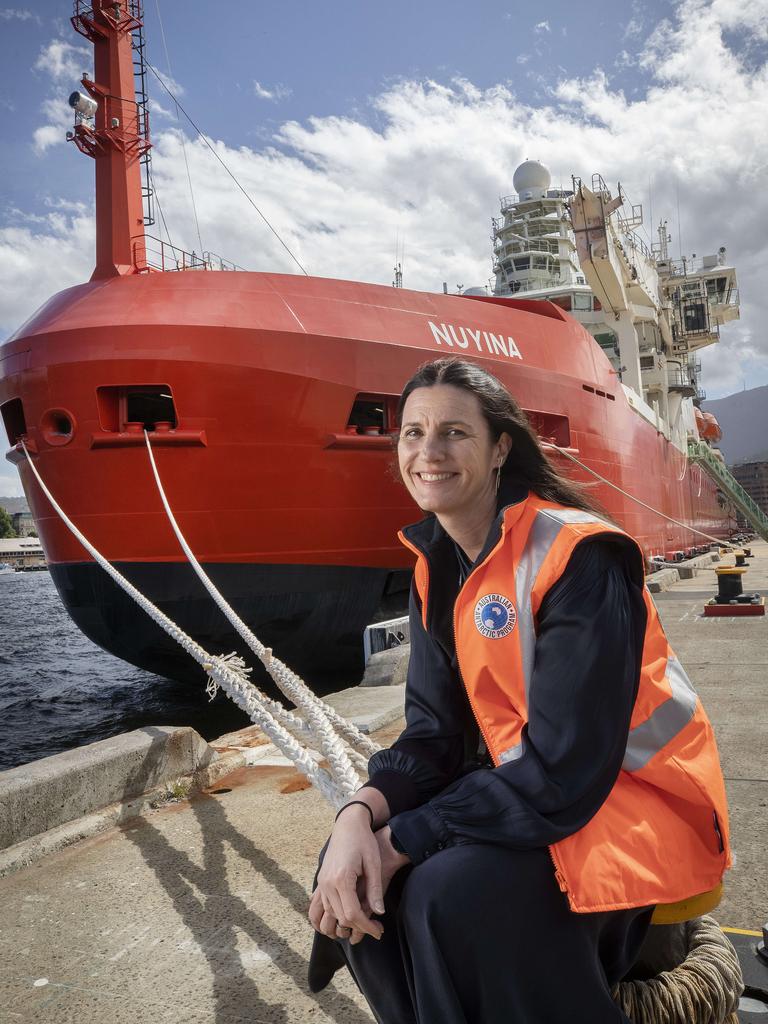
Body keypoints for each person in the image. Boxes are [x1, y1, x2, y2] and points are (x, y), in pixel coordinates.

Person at [307, 357, 730, 1024]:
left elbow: (569, 765)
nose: (429, 452)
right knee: (355, 875)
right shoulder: (436, 570)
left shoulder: (579, 554)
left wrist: (407, 839)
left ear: (501, 447)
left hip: (635, 804)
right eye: (413, 433)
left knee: (451, 893)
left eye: (454, 432)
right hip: (535, 793)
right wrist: (359, 817)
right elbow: (432, 737)